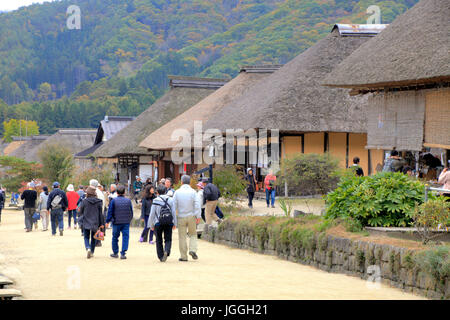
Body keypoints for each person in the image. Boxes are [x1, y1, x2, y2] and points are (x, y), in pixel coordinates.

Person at [173, 175, 200, 261]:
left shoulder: (177, 192)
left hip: (181, 216)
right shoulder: (193, 192)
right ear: (190, 182)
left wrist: (174, 218)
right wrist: (198, 215)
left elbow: (174, 206)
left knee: (182, 237)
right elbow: (197, 204)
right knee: (193, 234)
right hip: (191, 216)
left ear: (181, 182)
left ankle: (183, 256)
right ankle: (192, 250)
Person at [149, 184, 177, 262]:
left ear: (157, 192)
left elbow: (152, 214)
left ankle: (161, 256)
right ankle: (167, 251)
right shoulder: (170, 199)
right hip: (168, 221)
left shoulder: (155, 200)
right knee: (168, 238)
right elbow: (173, 212)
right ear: (165, 191)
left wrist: (151, 224)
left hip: (158, 222)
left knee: (159, 239)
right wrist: (175, 223)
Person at [106, 184, 133, 259]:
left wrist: (108, 221)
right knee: (125, 237)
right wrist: (129, 219)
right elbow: (131, 212)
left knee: (115, 237)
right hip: (125, 222)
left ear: (117, 192)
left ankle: (115, 252)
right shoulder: (128, 201)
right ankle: (123, 253)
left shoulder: (114, 201)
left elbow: (110, 212)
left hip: (116, 222)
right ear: (124, 192)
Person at [78, 186, 105, 259]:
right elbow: (100, 214)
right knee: (94, 238)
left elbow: (81, 213)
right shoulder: (99, 202)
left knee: (86, 237)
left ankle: (88, 248)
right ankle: (92, 252)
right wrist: (102, 223)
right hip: (95, 222)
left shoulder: (84, 201)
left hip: (86, 221)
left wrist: (80, 222)